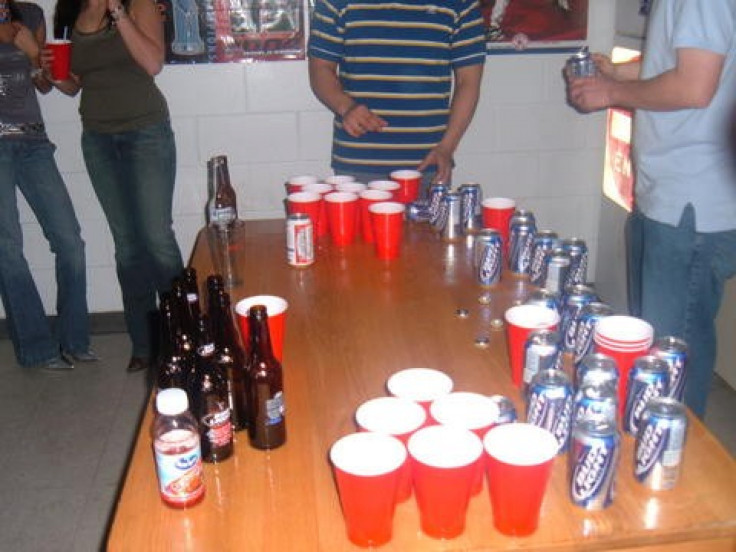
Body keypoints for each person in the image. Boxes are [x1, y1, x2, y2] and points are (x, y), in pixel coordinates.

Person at [565, 0, 736, 418]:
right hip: (672, 197)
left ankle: (676, 470)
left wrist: (611, 91)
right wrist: (616, 71)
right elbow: (684, 60)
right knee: (658, 350)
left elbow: (694, 86)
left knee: (672, 358)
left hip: (692, 201)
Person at [48, 0, 184, 372]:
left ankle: (183, 333)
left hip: (146, 133)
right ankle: (143, 342)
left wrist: (117, 13)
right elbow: (72, 84)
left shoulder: (137, 3)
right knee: (127, 246)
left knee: (157, 239)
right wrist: (51, 71)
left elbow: (153, 63)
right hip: (98, 139)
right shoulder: (68, 11)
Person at [0, 0, 95, 371]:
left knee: (69, 240)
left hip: (35, 142)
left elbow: (44, 85)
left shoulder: (32, 14)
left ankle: (74, 340)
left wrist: (34, 54)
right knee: (8, 248)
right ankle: (38, 349)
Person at [307, 0, 486, 192]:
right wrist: (346, 107)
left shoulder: (461, 4)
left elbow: (468, 82)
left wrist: (447, 147)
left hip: (428, 162)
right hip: (358, 158)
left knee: (425, 224)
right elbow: (320, 70)